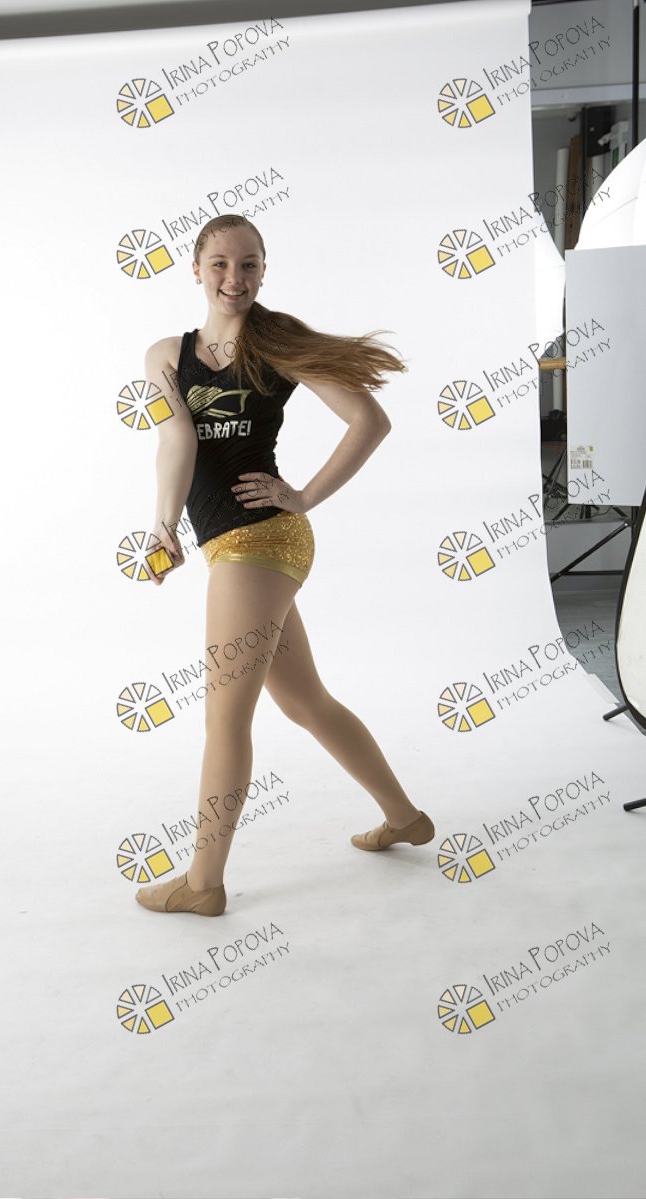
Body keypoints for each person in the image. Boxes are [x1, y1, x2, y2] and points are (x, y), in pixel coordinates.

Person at [135, 214, 434, 917]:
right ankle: (405, 817)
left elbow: (369, 421)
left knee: (224, 718)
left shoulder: (276, 343)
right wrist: (164, 526)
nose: (233, 278)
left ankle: (202, 883)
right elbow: (178, 442)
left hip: (261, 541)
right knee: (305, 702)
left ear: (264, 270)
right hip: (233, 547)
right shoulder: (165, 355)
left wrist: (303, 496)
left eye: (248, 264)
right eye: (219, 263)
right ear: (196, 269)